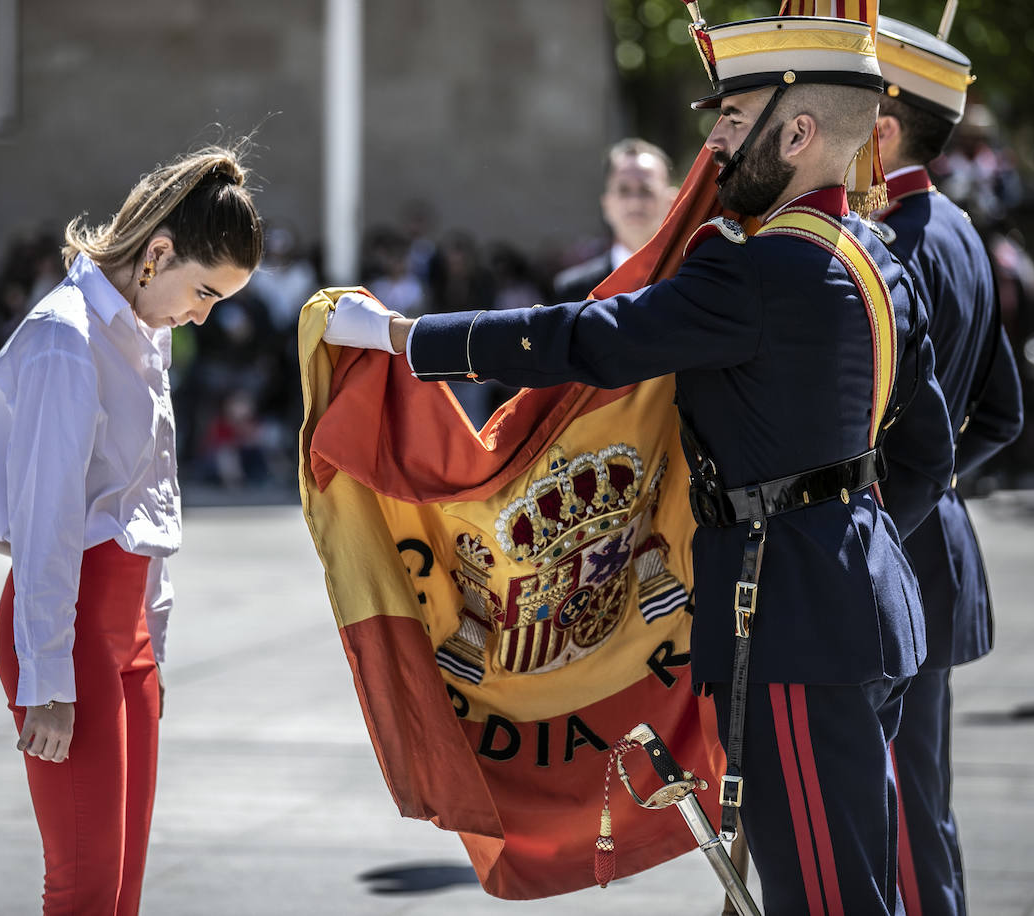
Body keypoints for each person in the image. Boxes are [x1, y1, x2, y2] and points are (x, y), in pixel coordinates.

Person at [323, 12, 953, 912]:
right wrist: (847, 543)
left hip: (792, 622)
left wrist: (405, 338)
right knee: (853, 875)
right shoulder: (879, 259)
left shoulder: (758, 270)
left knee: (822, 896)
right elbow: (927, 454)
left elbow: (588, 339)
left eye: (733, 123)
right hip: (866, 604)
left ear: (798, 132)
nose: (715, 145)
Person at [0, 146, 261, 913]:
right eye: (202, 291)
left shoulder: (143, 334)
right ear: (156, 252)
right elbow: (45, 529)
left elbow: (150, 508)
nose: (202, 314)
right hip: (65, 631)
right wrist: (47, 677)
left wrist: (154, 648)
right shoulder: (66, 338)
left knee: (123, 890)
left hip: (124, 635)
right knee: (85, 888)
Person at [871, 18, 1024, 915]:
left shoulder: (896, 245)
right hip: (936, 546)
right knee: (921, 804)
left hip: (895, 557)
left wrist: (888, 518)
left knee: (895, 807)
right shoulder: (961, 230)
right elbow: (999, 414)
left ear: (883, 127)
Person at [552, 138, 676, 302]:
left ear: (671, 203)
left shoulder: (692, 281)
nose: (635, 202)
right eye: (623, 190)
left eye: (646, 190)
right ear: (606, 205)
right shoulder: (573, 291)